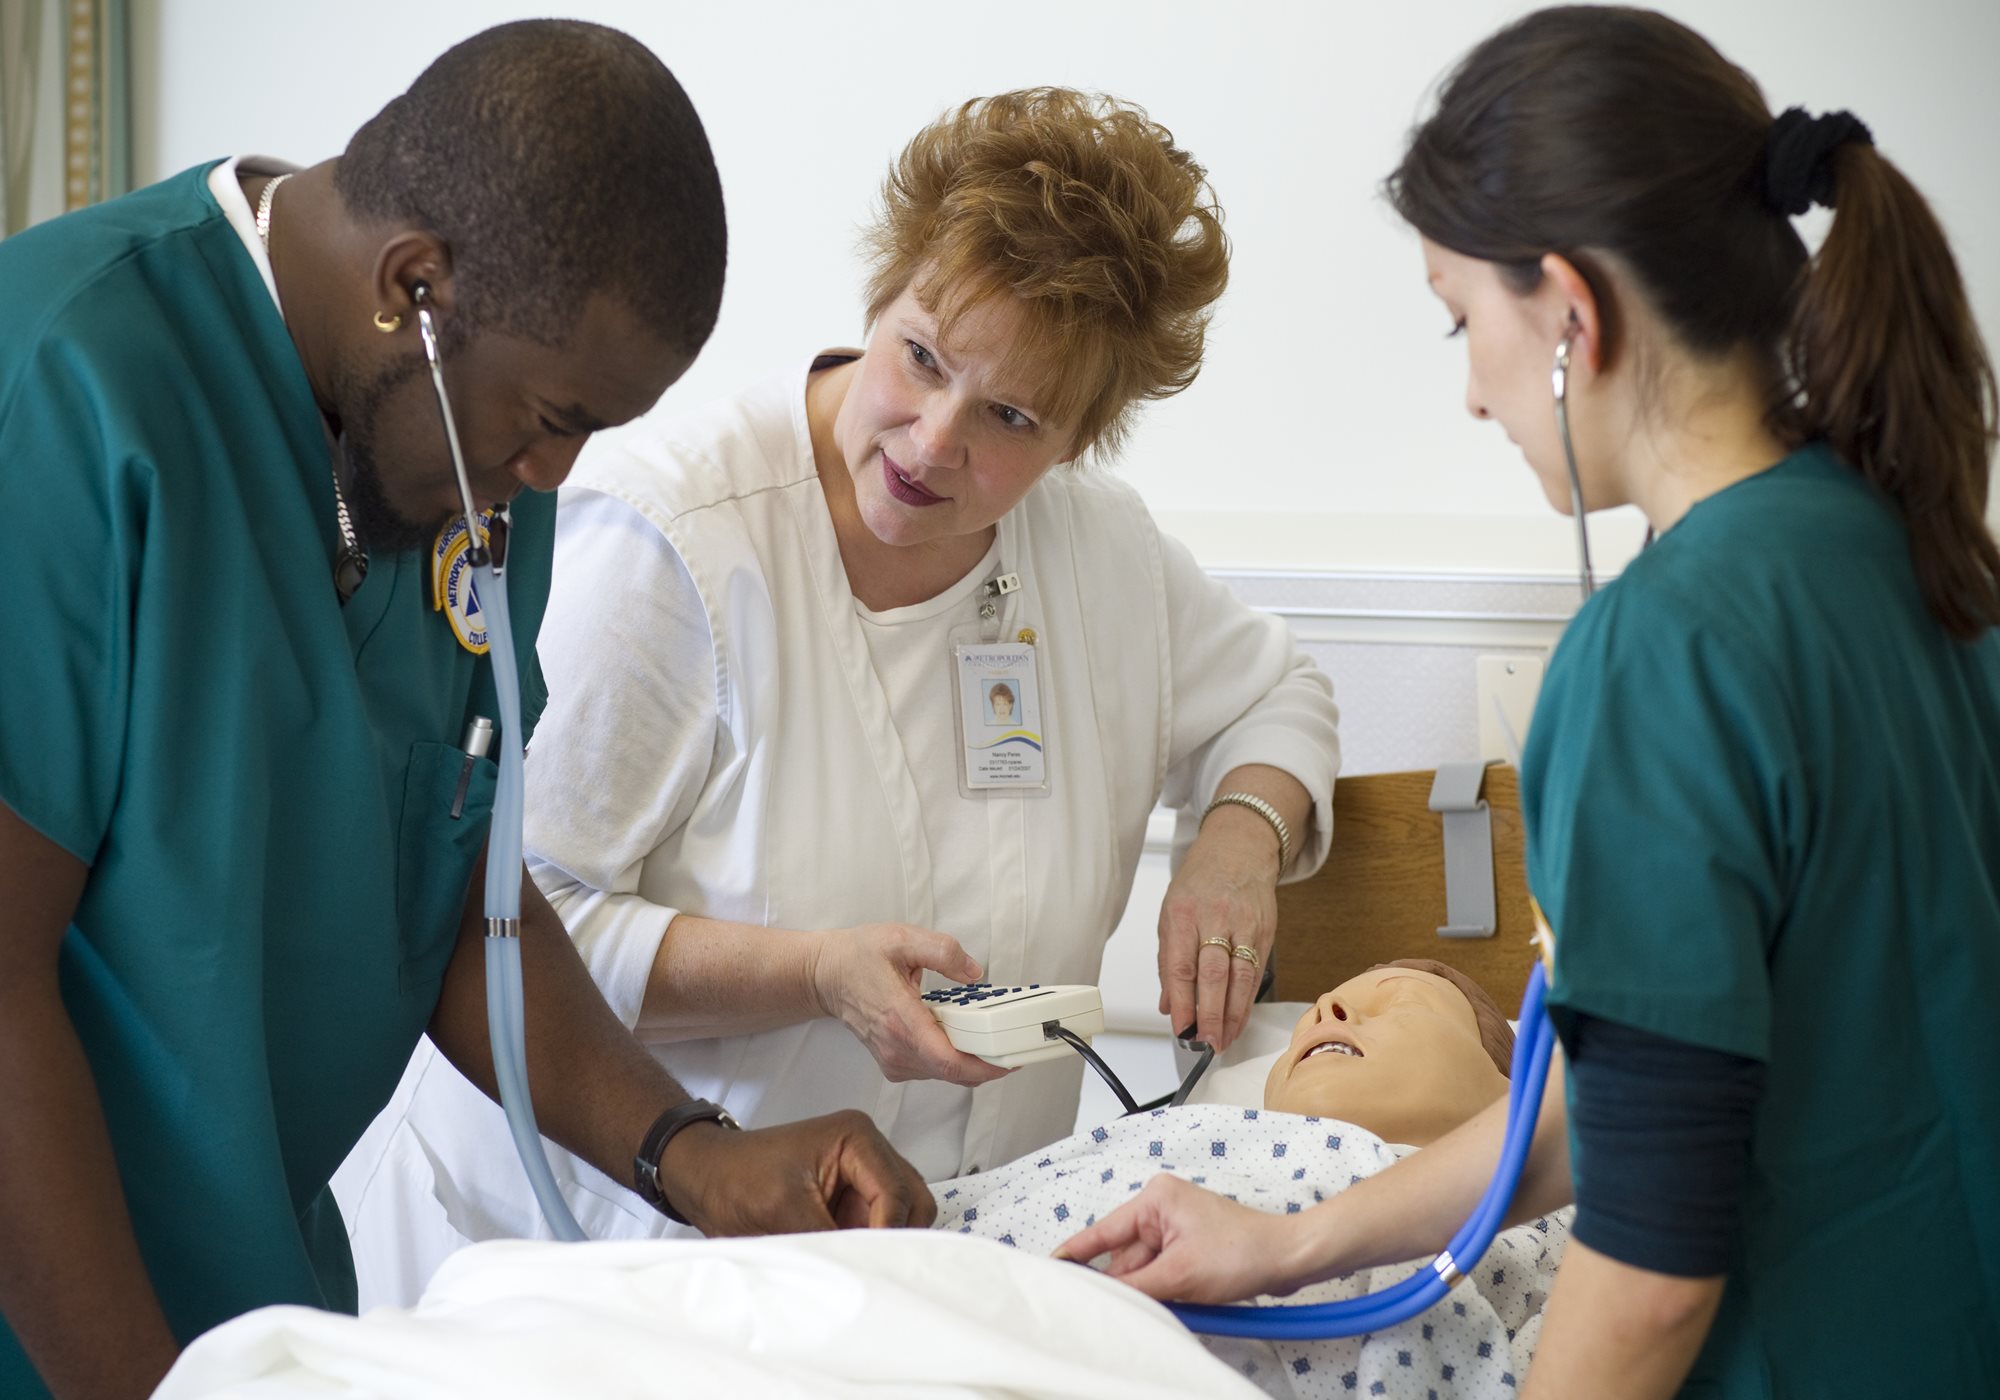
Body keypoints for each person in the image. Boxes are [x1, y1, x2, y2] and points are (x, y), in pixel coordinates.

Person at [1058, 8, 2000, 1397]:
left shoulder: (1664, 654)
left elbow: (1655, 1273)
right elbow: (1646, 1096)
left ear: (1570, 306)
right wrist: (1289, 1243)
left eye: (1461, 316)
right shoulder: (1910, 547)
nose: (1469, 394)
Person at [0, 22, 932, 1400]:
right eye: (551, 417)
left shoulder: (464, 472)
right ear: (413, 285)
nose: (553, 471)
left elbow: (455, 883)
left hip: (256, 1318)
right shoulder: (64, 384)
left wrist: (692, 1156)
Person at [335, 86, 1340, 1302]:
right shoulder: (672, 539)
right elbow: (503, 921)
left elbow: (1276, 690)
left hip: (929, 1281)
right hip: (595, 1259)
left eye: (1010, 416)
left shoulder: (1099, 553)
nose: (930, 442)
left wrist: (1236, 839)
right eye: (920, 357)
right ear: (878, 296)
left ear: (1082, 437)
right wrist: (812, 971)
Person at [943, 961, 1566, 1399]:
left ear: (1517, 1097)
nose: (1327, 1008)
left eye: (1400, 1001)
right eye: (1315, 1012)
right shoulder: (1159, 1140)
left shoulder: (1554, 1222)